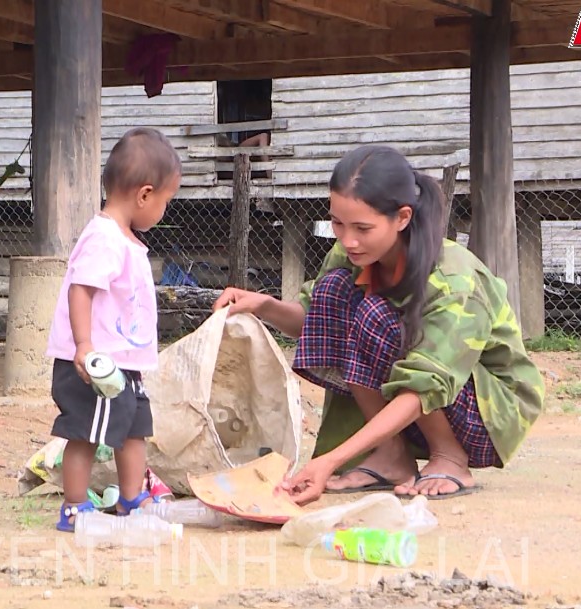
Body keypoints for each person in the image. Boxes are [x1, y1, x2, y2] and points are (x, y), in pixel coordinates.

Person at [212, 144, 544, 505]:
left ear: (402, 218)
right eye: (337, 223)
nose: (347, 239)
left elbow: (427, 385)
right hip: (415, 405)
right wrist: (263, 305)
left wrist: (331, 460)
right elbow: (319, 324)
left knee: (373, 315)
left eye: (362, 228)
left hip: (488, 412)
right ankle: (391, 455)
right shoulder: (351, 255)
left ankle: (450, 458)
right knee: (335, 291)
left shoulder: (454, 279)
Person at [45, 127, 183, 531]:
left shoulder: (126, 239)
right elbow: (81, 290)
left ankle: (131, 500)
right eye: (166, 201)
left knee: (134, 429)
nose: (163, 211)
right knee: (86, 432)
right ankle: (74, 508)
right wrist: (84, 345)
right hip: (97, 363)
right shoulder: (103, 237)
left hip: (125, 362)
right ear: (144, 194)